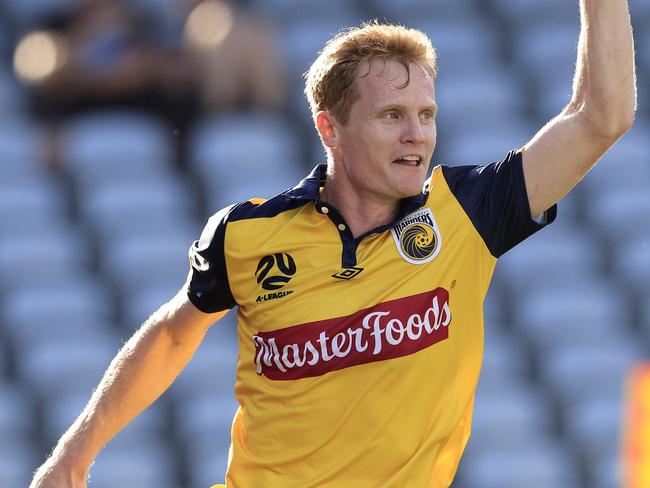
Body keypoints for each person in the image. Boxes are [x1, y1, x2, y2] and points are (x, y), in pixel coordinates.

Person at [30, 1, 636, 486]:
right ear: (330, 127)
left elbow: (600, 116)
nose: (417, 135)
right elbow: (170, 335)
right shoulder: (246, 234)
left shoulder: (470, 211)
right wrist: (74, 455)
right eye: (391, 115)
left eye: (426, 114)